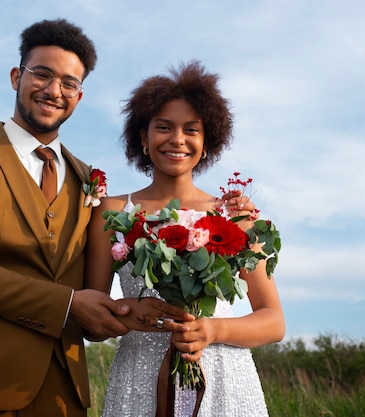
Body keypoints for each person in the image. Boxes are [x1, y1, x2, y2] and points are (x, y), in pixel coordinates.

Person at [0, 19, 198, 417]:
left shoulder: (88, 179)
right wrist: (65, 305)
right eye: (41, 74)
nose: (53, 91)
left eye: (68, 83)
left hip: (62, 394)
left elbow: (89, 291)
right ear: (16, 77)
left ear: (79, 97)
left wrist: (130, 310)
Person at [86, 61, 286, 417]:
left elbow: (273, 321)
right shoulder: (111, 211)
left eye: (190, 129)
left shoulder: (235, 215)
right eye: (163, 127)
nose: (177, 139)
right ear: (143, 138)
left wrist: (211, 329)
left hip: (225, 377)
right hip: (138, 380)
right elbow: (93, 318)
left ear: (207, 141)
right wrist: (134, 315)